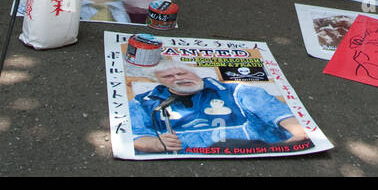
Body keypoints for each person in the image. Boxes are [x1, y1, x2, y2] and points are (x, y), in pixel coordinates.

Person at [129, 60, 310, 154]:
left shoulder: (238, 91)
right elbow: (137, 138)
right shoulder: (143, 102)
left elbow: (291, 123)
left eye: (182, 72)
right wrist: (156, 144)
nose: (178, 78)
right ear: (159, 81)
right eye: (168, 76)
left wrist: (289, 143)